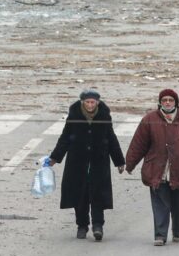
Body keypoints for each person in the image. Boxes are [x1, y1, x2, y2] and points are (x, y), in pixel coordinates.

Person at [124, 89, 179, 246]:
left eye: (170, 100)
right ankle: (160, 236)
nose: (167, 102)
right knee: (160, 205)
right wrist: (130, 163)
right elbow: (138, 144)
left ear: (176, 102)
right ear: (160, 102)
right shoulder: (149, 120)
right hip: (157, 171)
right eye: (164, 100)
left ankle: (177, 231)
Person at [47, 89, 125, 241]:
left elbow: (111, 138)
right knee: (80, 195)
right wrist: (55, 157)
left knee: (98, 195)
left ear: (97, 102)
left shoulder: (104, 116)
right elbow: (65, 138)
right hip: (77, 162)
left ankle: (98, 226)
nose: (90, 105)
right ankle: (82, 225)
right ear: (82, 102)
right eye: (87, 102)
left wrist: (119, 161)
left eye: (93, 102)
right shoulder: (74, 115)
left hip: (99, 161)